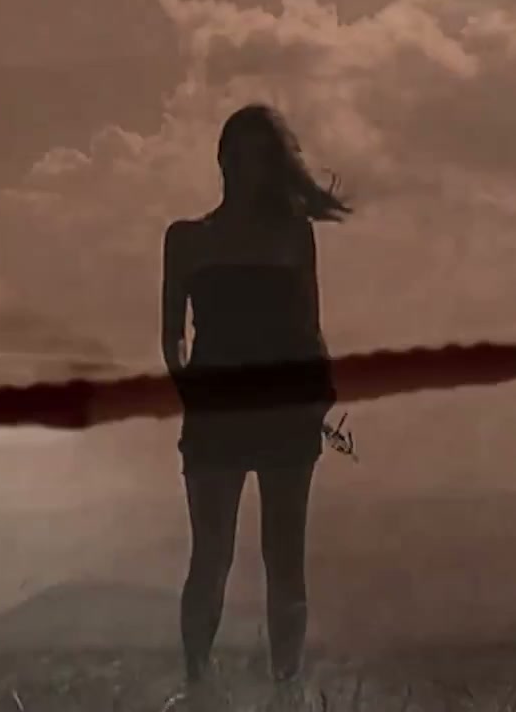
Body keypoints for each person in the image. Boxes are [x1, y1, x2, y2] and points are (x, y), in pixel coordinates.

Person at [159, 103, 352, 688]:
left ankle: (286, 690)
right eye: (238, 156)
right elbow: (172, 336)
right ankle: (196, 684)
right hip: (217, 410)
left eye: (258, 157)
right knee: (211, 556)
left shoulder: (294, 236)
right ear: (221, 159)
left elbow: (311, 325)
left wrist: (319, 395)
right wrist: (190, 390)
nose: (245, 169)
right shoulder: (186, 239)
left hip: (285, 405)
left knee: (283, 558)